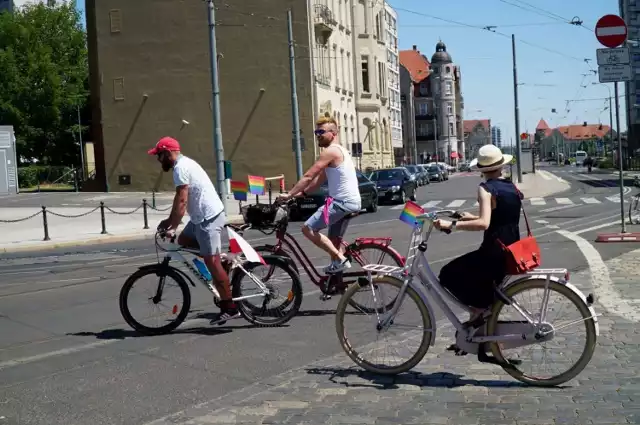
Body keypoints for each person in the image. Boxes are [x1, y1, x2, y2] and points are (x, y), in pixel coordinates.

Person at [148, 136, 239, 325]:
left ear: (168, 152)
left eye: (159, 155)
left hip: (208, 218)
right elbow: (178, 199)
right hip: (199, 219)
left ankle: (229, 307)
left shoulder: (181, 168)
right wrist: (170, 222)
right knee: (184, 242)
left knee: (210, 260)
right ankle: (222, 261)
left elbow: (182, 201)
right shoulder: (183, 165)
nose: (158, 160)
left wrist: (171, 226)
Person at [434, 144, 522, 325]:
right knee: (477, 279)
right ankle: (484, 316)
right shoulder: (511, 186)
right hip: (511, 249)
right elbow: (500, 217)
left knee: (447, 274)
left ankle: (479, 310)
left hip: (494, 252)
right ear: (501, 165)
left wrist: (450, 224)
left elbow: (484, 223)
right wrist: (468, 218)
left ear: (482, 169)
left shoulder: (486, 188)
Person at [278, 114, 361, 274]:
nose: (318, 135)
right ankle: (336, 275)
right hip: (348, 201)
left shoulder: (331, 151)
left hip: (341, 202)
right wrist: (302, 193)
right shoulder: (342, 151)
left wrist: (289, 194)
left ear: (333, 134)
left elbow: (309, 175)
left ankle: (340, 259)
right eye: (316, 132)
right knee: (333, 240)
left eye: (321, 132)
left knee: (308, 229)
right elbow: (318, 179)